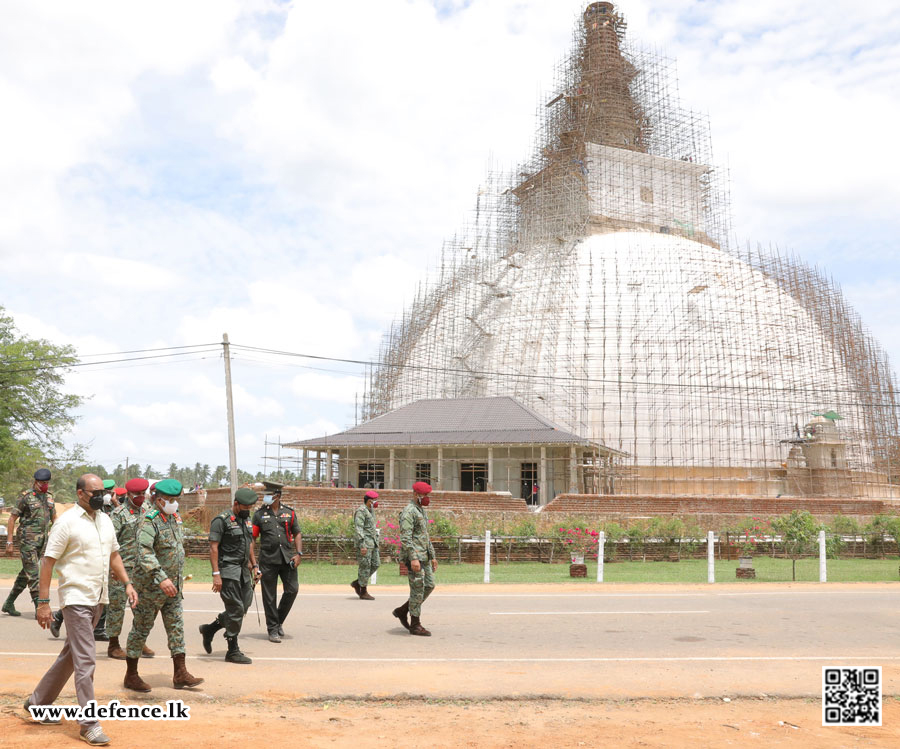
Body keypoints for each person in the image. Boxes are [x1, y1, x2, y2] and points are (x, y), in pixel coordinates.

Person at [26, 473, 136, 746]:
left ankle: (37, 702)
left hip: (98, 598)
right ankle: (89, 724)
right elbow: (48, 562)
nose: (101, 496)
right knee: (86, 660)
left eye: (102, 491)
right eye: (95, 492)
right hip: (76, 599)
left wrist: (127, 583)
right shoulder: (66, 523)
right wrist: (43, 603)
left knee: (71, 657)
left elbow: (114, 555)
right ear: (80, 494)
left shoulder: (106, 520)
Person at [123, 479, 203, 692]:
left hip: (173, 587)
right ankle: (131, 675)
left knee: (176, 627)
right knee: (141, 629)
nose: (174, 503)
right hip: (151, 586)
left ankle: (180, 673)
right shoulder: (148, 520)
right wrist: (161, 577)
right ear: (158, 500)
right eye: (169, 500)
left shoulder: (174, 517)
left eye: (175, 499)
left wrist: (173, 579)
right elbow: (144, 553)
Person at [200, 487, 260, 663]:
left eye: (250, 507)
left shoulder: (246, 519)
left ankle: (210, 628)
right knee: (236, 609)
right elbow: (213, 547)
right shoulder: (221, 520)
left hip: (244, 571)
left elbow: (249, 544)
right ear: (236, 504)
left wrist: (255, 565)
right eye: (245, 507)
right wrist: (216, 574)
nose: (248, 510)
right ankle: (232, 650)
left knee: (244, 605)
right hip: (228, 571)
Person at [106, 478, 154, 661]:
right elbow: (109, 543)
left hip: (143, 568)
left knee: (141, 608)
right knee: (116, 607)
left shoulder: (148, 511)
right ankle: (113, 644)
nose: (141, 497)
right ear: (129, 495)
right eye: (137, 494)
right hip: (121, 568)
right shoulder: (118, 514)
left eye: (143, 494)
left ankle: (138, 642)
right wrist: (111, 566)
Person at [251, 481, 302, 643]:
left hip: (288, 559)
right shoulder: (259, 515)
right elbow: (252, 539)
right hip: (268, 560)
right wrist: (253, 563)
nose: (265, 498)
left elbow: (297, 533)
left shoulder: (289, 513)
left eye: (268, 495)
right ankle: (272, 629)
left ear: (277, 496)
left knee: (292, 590)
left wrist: (299, 554)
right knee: (269, 596)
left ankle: (278, 620)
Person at [3, 468, 57, 616]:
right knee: (34, 574)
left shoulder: (49, 498)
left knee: (26, 572)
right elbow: (12, 518)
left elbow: (55, 518)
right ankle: (38, 607)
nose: (44, 485)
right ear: (36, 482)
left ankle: (8, 603)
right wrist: (9, 541)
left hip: (43, 542)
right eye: (42, 482)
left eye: (47, 483)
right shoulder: (26, 497)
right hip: (27, 540)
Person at [393, 481, 436, 636]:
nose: (427, 499)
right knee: (417, 588)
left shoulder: (421, 510)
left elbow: (424, 536)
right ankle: (415, 624)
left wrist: (433, 556)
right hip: (415, 557)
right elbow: (405, 538)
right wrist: (413, 558)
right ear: (416, 495)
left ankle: (403, 610)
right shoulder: (409, 512)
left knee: (429, 585)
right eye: (425, 495)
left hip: (424, 556)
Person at [351, 490, 379, 600]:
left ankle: (358, 582)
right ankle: (363, 591)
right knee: (365, 566)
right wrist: (362, 544)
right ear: (369, 501)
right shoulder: (361, 511)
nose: (376, 502)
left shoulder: (370, 510)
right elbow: (359, 528)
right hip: (365, 543)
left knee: (376, 564)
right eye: (375, 500)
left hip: (372, 542)